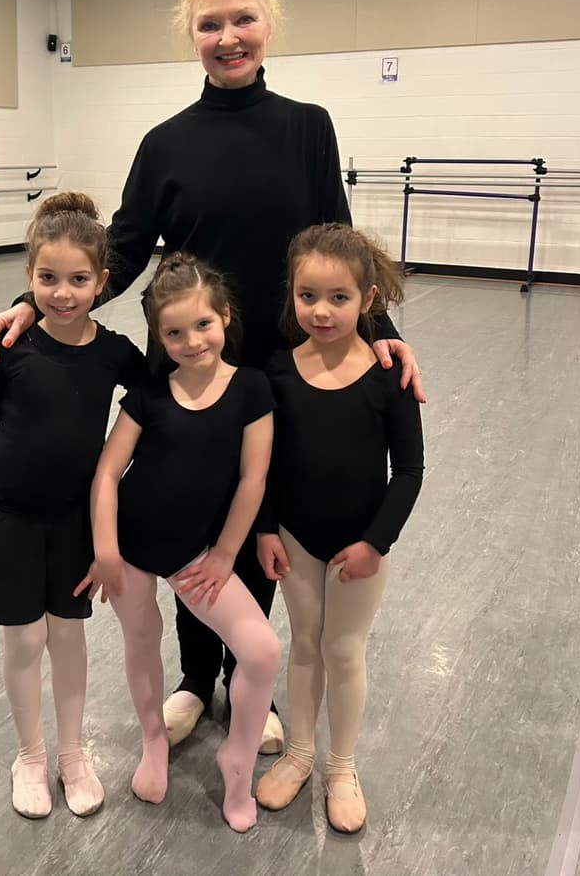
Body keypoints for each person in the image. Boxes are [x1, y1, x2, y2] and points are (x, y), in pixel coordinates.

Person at [0, 0, 425, 752]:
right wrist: (24, 308)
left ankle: (249, 680)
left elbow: (342, 245)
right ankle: (192, 678)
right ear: (192, 35)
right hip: (182, 368)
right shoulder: (165, 141)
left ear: (268, 25)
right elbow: (117, 248)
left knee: (254, 528)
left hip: (270, 373)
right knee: (186, 526)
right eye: (210, 24)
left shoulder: (307, 127)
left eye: (242, 19)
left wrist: (385, 336)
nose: (228, 36)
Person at [0, 193, 146, 820]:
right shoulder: (10, 347)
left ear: (103, 282)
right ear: (29, 279)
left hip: (74, 523)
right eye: (48, 279)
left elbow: (156, 408)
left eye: (79, 280)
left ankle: (71, 752)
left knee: (69, 636)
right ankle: (30, 754)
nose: (63, 293)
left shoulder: (115, 353)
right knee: (26, 638)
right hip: (6, 516)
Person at [75, 253, 280, 833]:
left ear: (225, 318)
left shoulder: (251, 389)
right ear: (158, 336)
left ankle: (236, 761)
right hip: (134, 548)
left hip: (197, 554)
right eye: (174, 332)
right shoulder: (149, 395)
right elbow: (108, 473)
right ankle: (153, 743)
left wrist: (223, 555)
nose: (191, 342)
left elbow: (252, 479)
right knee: (142, 640)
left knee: (262, 650)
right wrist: (106, 549)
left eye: (202, 326)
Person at [255, 223, 424, 833]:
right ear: (291, 296)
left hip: (359, 543)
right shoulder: (276, 371)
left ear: (368, 300)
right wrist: (268, 528)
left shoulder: (388, 376)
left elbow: (408, 470)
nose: (321, 311)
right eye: (307, 297)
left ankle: (342, 766)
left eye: (339, 298)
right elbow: (264, 463)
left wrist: (375, 543)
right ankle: (301, 751)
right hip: (297, 538)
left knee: (344, 650)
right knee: (305, 645)